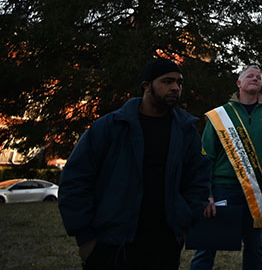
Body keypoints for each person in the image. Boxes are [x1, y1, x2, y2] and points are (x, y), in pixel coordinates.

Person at [58, 58, 211, 270]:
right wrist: (85, 239)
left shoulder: (185, 132)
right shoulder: (110, 127)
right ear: (147, 85)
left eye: (179, 83)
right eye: (167, 81)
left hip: (164, 245)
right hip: (111, 245)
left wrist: (184, 225)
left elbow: (198, 179)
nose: (175, 88)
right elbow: (75, 179)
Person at [190, 66, 262, 270]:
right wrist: (207, 193)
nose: (255, 78)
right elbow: (206, 156)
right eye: (250, 76)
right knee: (207, 245)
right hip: (223, 190)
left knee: (255, 248)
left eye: (259, 77)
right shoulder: (220, 115)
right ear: (239, 83)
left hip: (257, 190)